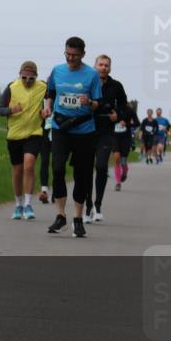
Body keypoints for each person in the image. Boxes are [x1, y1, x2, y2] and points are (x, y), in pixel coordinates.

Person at [43, 37, 101, 238]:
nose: (70, 58)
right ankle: (60, 215)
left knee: (82, 175)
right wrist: (48, 106)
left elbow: (97, 105)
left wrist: (89, 102)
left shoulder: (91, 75)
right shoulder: (57, 71)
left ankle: (77, 218)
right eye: (67, 54)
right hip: (60, 126)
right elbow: (50, 92)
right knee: (57, 169)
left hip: (84, 130)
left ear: (83, 54)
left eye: (75, 55)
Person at [0, 61, 47, 220]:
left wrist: (46, 111)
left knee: (29, 164)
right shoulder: (12, 87)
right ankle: (18, 204)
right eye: (24, 77)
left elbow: (51, 104)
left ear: (36, 77)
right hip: (15, 135)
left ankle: (28, 204)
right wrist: (11, 110)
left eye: (31, 79)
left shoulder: (43, 88)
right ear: (20, 75)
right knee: (17, 171)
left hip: (34, 132)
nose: (27, 81)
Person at [84, 54, 128, 223]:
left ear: (110, 68)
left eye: (106, 65)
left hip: (106, 132)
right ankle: (87, 206)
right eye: (100, 64)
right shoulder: (87, 82)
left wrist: (118, 114)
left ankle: (98, 204)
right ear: (95, 66)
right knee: (86, 169)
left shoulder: (116, 86)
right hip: (86, 130)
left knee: (101, 166)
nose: (103, 67)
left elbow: (124, 105)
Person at [114, 102, 139, 191]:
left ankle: (125, 171)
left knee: (123, 161)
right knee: (117, 158)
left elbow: (137, 123)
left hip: (125, 138)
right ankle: (118, 183)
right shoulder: (113, 109)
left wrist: (127, 124)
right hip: (115, 137)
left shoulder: (130, 110)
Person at [38, 115, 53, 203]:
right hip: (44, 132)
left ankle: (56, 191)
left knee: (57, 164)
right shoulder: (42, 101)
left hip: (58, 131)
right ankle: (44, 191)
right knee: (44, 161)